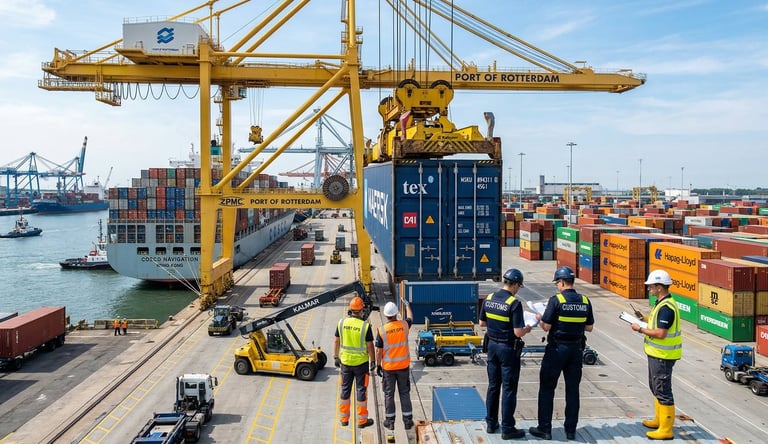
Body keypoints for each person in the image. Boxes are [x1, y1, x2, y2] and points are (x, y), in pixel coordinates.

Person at [529, 266, 594, 441]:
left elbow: (546, 327)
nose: (557, 286)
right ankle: (571, 430)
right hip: (576, 350)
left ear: (562, 282)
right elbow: (589, 327)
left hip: (557, 350)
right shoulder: (585, 301)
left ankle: (544, 429)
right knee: (573, 391)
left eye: (557, 283)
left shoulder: (556, 300)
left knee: (547, 388)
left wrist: (539, 318)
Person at [479, 268, 532, 440]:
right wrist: (527, 329)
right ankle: (508, 428)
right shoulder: (514, 304)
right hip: (507, 350)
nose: (518, 290)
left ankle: (491, 423)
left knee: (493, 386)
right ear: (515, 285)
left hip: (492, 347)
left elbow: (481, 323)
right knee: (509, 389)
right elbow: (517, 332)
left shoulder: (489, 298)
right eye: (519, 287)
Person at [631, 269, 681, 440]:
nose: (648, 289)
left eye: (651, 286)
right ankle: (659, 419)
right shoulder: (661, 304)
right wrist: (644, 319)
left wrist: (640, 329)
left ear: (659, 287)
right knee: (655, 387)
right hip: (657, 354)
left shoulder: (666, 308)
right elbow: (657, 324)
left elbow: (661, 333)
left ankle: (666, 430)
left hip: (663, 356)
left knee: (663, 390)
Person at [334, 296, 376, 429]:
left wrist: (336, 357)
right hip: (361, 364)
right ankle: (362, 421)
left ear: (350, 310)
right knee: (361, 390)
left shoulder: (341, 323)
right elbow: (370, 345)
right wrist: (373, 361)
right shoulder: (365, 326)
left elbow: (336, 341)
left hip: (345, 363)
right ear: (361, 310)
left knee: (345, 390)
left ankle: (344, 419)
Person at [375, 297, 414, 431]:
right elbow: (410, 317)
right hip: (403, 367)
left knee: (389, 394)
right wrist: (407, 305)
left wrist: (378, 365)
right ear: (396, 313)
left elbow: (379, 351)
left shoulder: (382, 330)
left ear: (386, 315)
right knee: (404, 393)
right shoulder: (404, 325)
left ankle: (390, 421)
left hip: (389, 369)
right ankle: (407, 421)